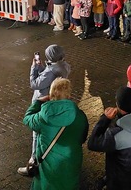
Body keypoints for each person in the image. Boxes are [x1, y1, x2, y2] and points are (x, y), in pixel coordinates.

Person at [22, 78, 88, 190]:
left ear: (50, 94)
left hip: (48, 164)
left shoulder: (42, 116)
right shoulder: (80, 116)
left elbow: (27, 119)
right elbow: (82, 138)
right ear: (69, 95)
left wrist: (37, 102)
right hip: (71, 160)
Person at [18, 45, 72, 176]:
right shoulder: (64, 66)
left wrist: (33, 68)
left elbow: (35, 84)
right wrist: (41, 67)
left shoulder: (51, 71)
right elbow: (47, 75)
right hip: (55, 100)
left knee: (37, 133)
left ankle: (33, 162)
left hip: (44, 100)